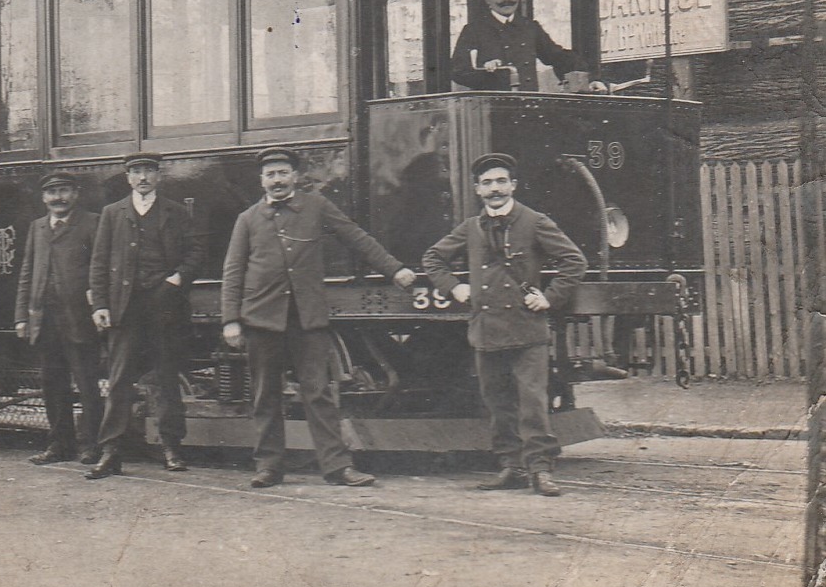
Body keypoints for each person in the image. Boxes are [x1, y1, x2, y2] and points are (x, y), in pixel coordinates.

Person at [221, 148, 418, 489]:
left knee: (318, 393)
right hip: (261, 318)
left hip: (307, 318)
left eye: (283, 173)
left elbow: (356, 238)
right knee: (265, 394)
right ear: (262, 181)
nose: (278, 180)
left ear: (295, 176)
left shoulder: (316, 206)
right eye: (271, 175)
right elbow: (233, 271)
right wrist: (230, 320)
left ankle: (338, 467)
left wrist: (395, 269)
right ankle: (269, 466)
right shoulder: (248, 219)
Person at [422, 153, 587, 497]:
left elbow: (574, 260)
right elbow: (433, 258)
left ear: (513, 185)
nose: (494, 189)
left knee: (532, 403)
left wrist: (549, 297)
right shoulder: (470, 228)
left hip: (527, 329)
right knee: (497, 403)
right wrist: (455, 287)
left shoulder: (534, 221)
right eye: (487, 183)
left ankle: (541, 470)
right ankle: (510, 467)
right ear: (477, 189)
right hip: (486, 329)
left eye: (500, 181)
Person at [86, 153, 205, 479]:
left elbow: (196, 250)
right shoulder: (112, 214)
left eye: (148, 172)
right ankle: (110, 451)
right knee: (119, 379)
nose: (142, 178)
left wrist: (177, 278)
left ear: (158, 176)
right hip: (124, 308)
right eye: (136, 172)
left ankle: (171, 447)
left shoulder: (176, 212)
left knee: (166, 377)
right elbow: (98, 262)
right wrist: (100, 305)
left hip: (164, 306)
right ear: (128, 178)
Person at [15, 172, 103, 466]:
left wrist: (98, 305)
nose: (58, 198)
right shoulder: (37, 227)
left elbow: (99, 269)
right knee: (52, 385)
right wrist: (22, 317)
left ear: (75, 194)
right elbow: (27, 273)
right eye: (52, 193)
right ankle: (58, 444)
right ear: (44, 198)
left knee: (87, 384)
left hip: (79, 317)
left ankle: (91, 445)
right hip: (45, 319)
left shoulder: (92, 222)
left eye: (64, 191)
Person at [450, 0, 580, 91]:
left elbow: (557, 57)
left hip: (529, 104)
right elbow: (459, 72)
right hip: (492, 108)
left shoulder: (530, 27)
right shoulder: (474, 30)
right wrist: (485, 71)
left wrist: (588, 78)